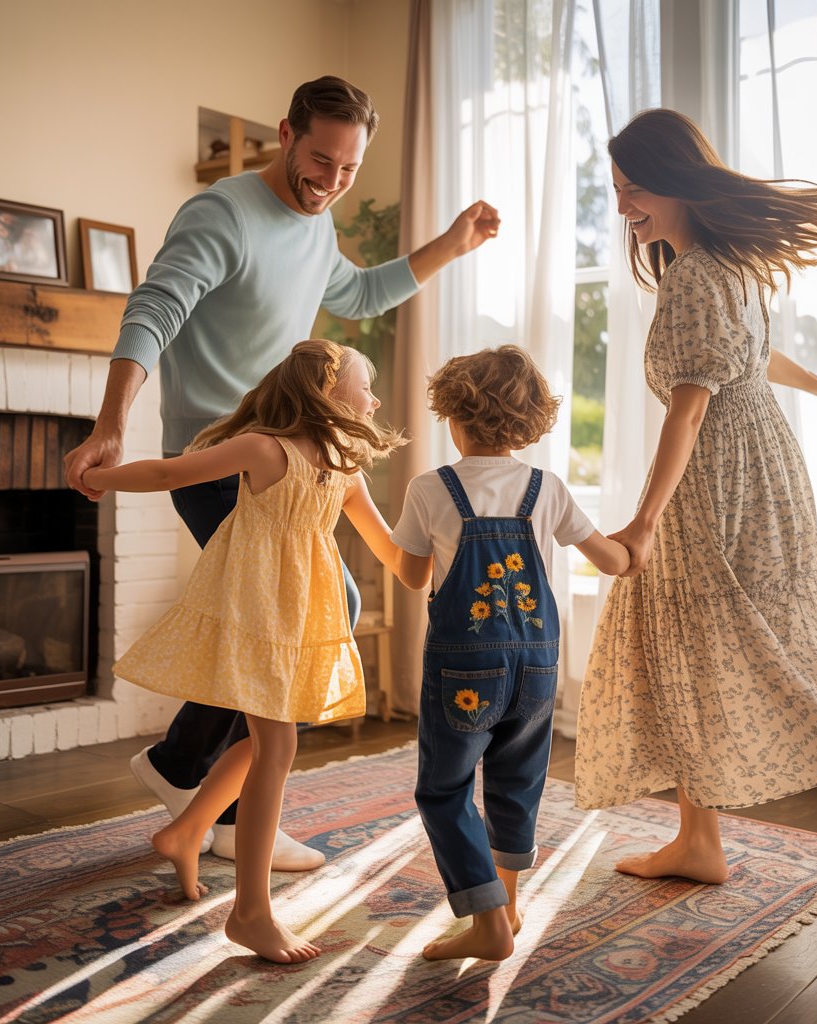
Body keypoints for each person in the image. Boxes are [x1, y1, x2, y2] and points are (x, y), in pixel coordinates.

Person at [63, 76, 501, 870]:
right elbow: (154, 309)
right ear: (287, 134)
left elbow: (361, 292)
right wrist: (110, 427)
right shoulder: (222, 214)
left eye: (348, 171)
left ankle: (190, 779)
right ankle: (199, 789)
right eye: (320, 160)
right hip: (217, 458)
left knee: (307, 611)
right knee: (289, 622)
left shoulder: (317, 224)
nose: (331, 182)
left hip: (287, 457)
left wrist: (451, 244)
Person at [574, 108, 817, 902]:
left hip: (719, 481)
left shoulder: (696, 273)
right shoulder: (724, 266)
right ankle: (699, 839)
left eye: (637, 188)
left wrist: (646, 519)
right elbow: (754, 359)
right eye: (618, 190)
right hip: (759, 470)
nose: (625, 205)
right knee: (712, 647)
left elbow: (691, 406)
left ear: (679, 182)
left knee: (749, 653)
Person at [81, 340, 409, 963]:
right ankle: (250, 914)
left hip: (299, 621)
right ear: (327, 392)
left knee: (266, 743)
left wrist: (453, 549)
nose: (374, 399)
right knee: (278, 746)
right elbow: (167, 473)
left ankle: (185, 831)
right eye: (366, 385)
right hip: (253, 613)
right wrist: (98, 476)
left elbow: (397, 557)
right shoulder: (266, 450)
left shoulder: (345, 472)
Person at [390, 346, 630, 961]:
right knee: (515, 783)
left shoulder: (429, 488)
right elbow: (612, 561)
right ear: (529, 421)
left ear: (454, 415)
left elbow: (414, 577)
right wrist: (641, 537)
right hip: (538, 665)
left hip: (463, 665)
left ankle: (488, 920)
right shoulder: (546, 487)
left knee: (444, 790)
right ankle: (510, 905)